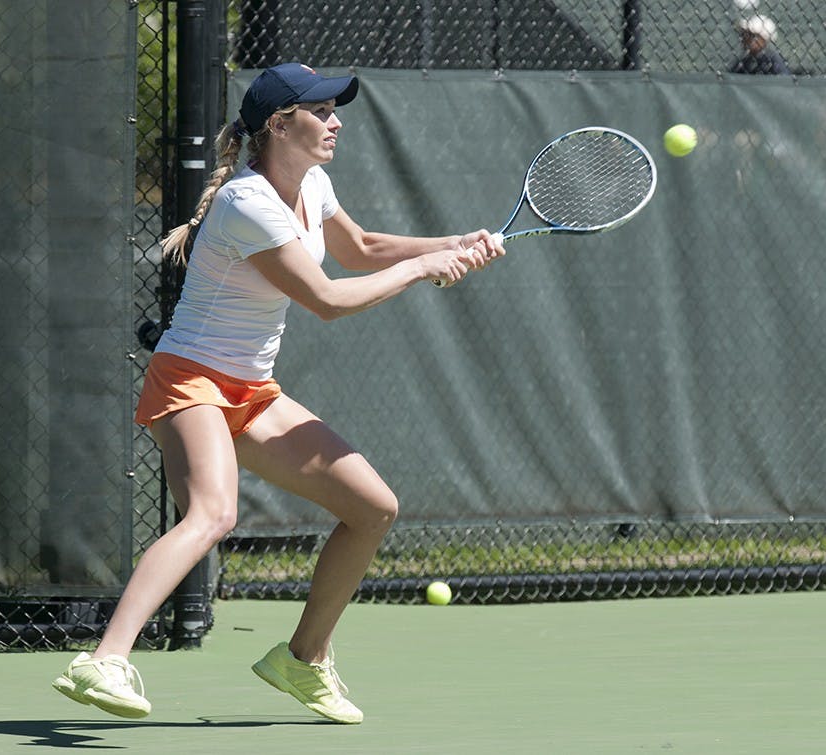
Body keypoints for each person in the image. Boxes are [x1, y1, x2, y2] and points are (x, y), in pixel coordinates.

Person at [51, 62, 504, 725]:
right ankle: (105, 658)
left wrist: (454, 243)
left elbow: (363, 246)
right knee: (212, 512)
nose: (335, 121)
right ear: (278, 125)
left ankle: (304, 657)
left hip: (252, 389)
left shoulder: (313, 182)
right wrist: (421, 268)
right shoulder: (246, 203)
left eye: (334, 110)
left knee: (373, 507)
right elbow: (325, 298)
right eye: (321, 111)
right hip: (190, 377)